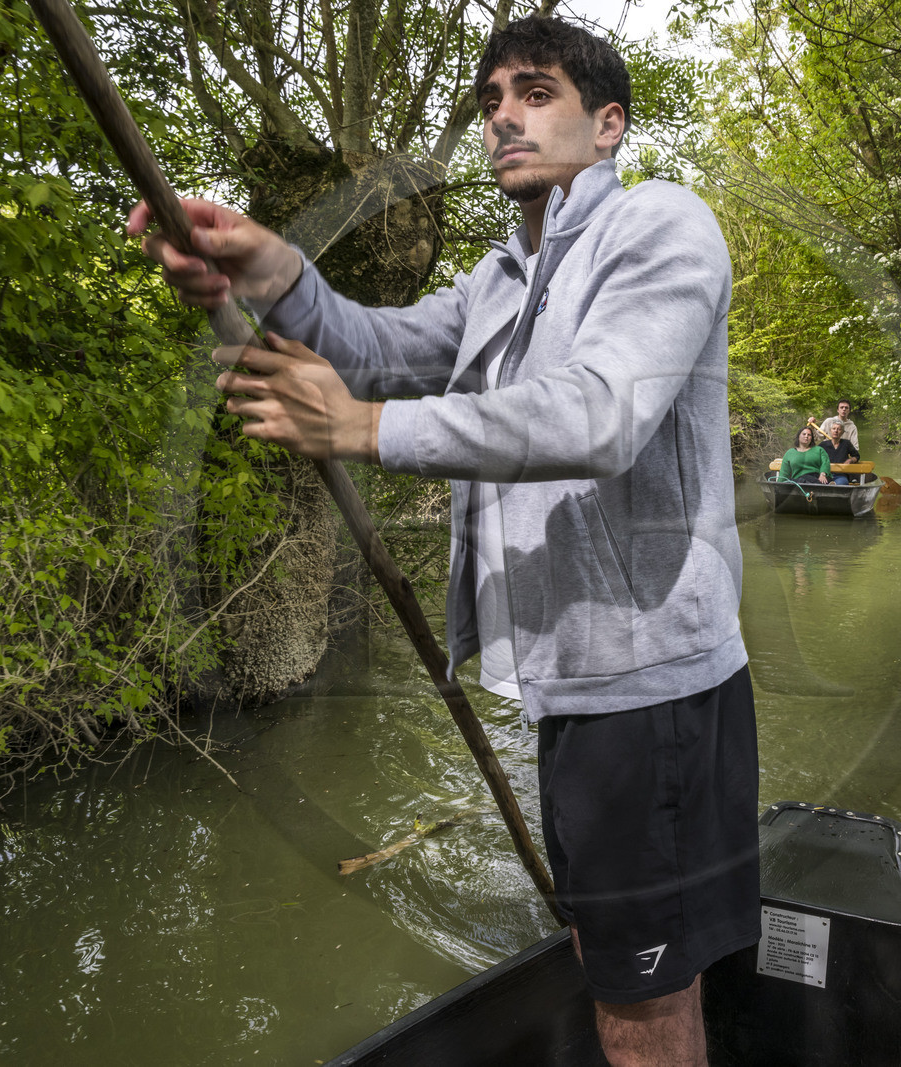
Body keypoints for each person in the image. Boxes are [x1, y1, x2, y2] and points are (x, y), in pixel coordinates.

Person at [128, 16, 756, 1067]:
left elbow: (600, 414)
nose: (504, 113)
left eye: (536, 91)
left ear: (608, 126)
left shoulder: (661, 226)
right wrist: (278, 274)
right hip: (575, 692)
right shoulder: (498, 280)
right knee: (621, 963)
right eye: (490, 99)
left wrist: (366, 431)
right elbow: (375, 347)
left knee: (642, 1001)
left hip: (651, 694)